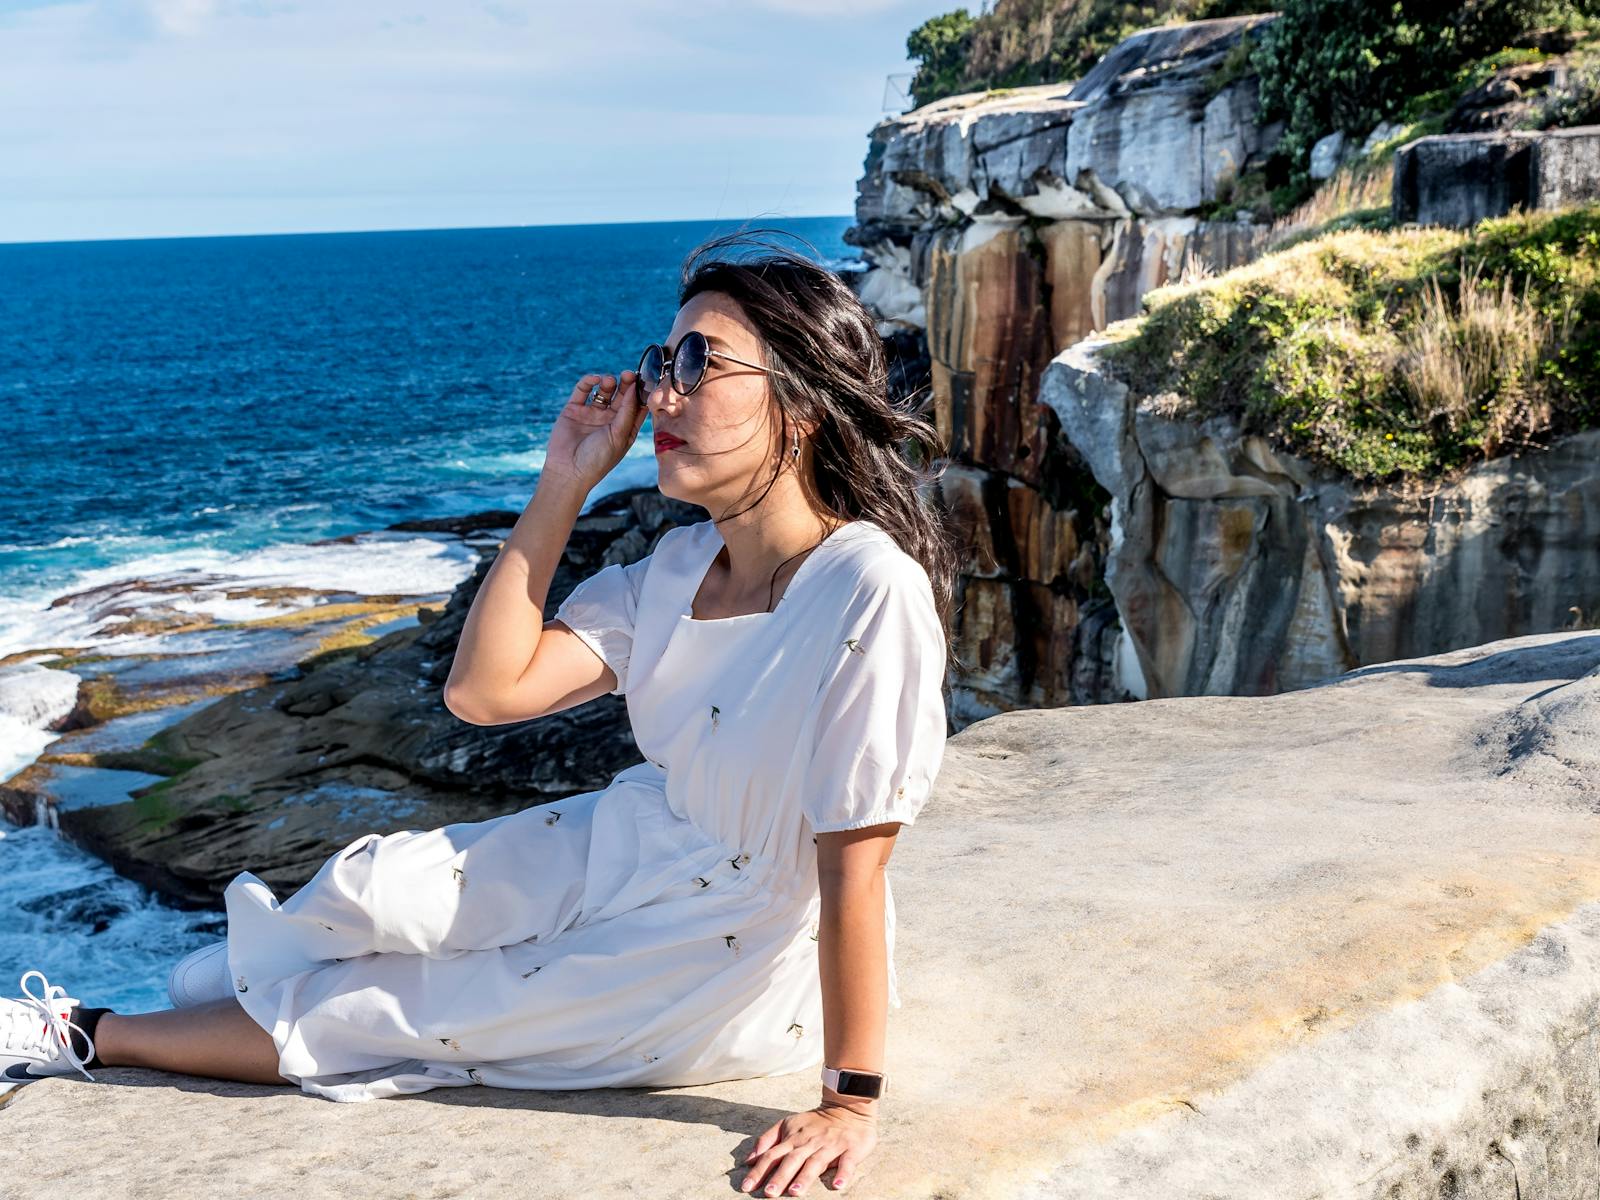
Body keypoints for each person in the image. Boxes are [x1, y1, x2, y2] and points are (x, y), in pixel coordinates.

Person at [0, 229, 960, 1197]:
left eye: (698, 363)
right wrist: (563, 480)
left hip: (724, 954)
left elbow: (854, 871)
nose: (663, 391)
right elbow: (485, 689)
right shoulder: (675, 569)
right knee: (373, 886)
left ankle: (85, 1034)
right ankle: (205, 997)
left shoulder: (866, 588)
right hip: (637, 844)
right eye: (660, 361)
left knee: (402, 1008)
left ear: (796, 406)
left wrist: (850, 1100)